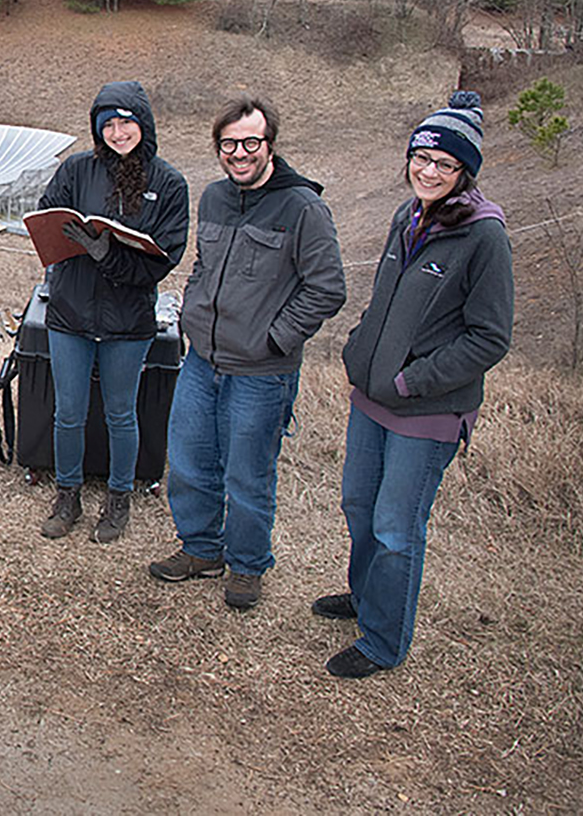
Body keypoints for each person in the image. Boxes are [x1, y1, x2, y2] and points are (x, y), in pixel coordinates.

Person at [317, 93, 512, 678]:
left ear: (464, 173)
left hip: (426, 411)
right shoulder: (409, 216)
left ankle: (383, 640)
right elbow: (384, 300)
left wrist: (412, 379)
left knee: (396, 526)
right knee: (358, 505)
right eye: (421, 159)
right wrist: (360, 349)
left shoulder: (484, 236)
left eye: (443, 165)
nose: (428, 171)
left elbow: (490, 337)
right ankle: (365, 596)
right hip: (372, 398)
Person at [149, 98, 346, 609]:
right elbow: (203, 266)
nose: (239, 153)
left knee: (247, 473)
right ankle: (200, 549)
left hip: (261, 372)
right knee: (191, 461)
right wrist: (192, 312)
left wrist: (275, 339)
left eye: (250, 143)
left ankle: (247, 565)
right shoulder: (214, 198)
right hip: (201, 361)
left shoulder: (303, 208)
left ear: (270, 146)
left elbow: (327, 288)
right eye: (229, 144)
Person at [36, 82, 188, 543]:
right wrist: (71, 238)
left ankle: (118, 499)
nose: (118, 132)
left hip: (128, 322)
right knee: (69, 412)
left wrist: (109, 255)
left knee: (122, 413)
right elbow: (47, 216)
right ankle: (68, 496)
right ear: (97, 128)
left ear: (144, 124)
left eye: (126, 122)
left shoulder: (167, 182)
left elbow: (165, 257)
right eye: (109, 124)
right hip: (70, 312)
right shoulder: (78, 168)